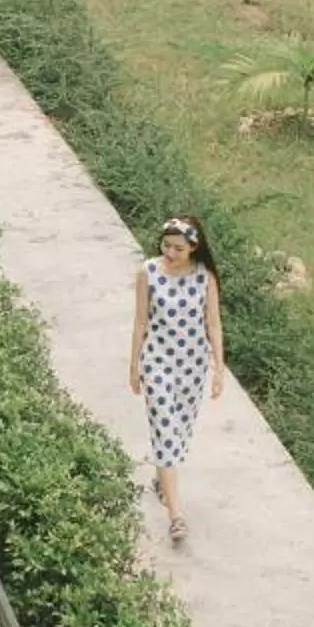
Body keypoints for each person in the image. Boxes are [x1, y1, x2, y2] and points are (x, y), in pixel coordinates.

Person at [127, 214, 227, 546]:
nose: (169, 252)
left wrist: (218, 368)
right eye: (166, 245)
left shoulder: (204, 278)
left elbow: (213, 323)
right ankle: (176, 516)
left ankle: (162, 479)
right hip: (157, 363)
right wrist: (134, 367)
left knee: (179, 433)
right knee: (165, 433)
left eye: (178, 248)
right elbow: (140, 322)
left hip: (192, 367)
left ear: (193, 248)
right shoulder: (149, 272)